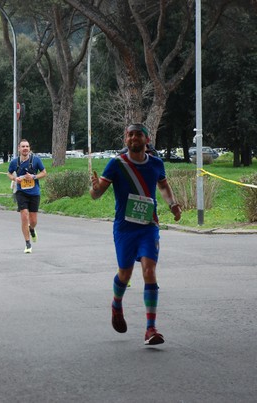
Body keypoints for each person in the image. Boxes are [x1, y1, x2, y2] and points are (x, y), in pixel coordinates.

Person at [90, 123, 182, 346]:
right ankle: (116, 304)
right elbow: (96, 195)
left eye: (138, 134)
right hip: (124, 228)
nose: (133, 138)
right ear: (126, 139)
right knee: (125, 273)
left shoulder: (156, 164)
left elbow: (163, 186)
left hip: (148, 226)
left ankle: (150, 328)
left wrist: (173, 204)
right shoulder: (116, 165)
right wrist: (94, 187)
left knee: (149, 270)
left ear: (146, 139)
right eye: (130, 134)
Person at [8, 139, 47, 253]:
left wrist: (34, 177)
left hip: (34, 193)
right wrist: (15, 179)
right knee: (24, 216)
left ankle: (32, 229)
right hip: (21, 193)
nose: (25, 148)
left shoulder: (36, 160)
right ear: (19, 148)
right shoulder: (14, 162)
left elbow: (44, 172)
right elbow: (9, 174)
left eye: (27, 146)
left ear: (29, 148)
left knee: (33, 220)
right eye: (23, 146)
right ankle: (27, 243)